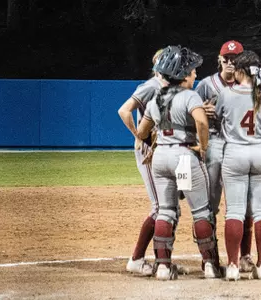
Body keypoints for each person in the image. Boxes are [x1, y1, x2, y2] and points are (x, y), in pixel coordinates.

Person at [137, 45, 222, 280]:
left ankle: (163, 266)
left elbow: (143, 131)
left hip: (162, 158)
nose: (195, 74)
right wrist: (202, 147)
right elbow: (202, 124)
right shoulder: (190, 96)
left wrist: (155, 142)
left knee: (165, 210)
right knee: (201, 211)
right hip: (184, 158)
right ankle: (210, 266)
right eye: (192, 71)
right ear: (182, 74)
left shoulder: (156, 98)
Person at [215, 50, 261, 281]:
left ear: (240, 71)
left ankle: (234, 266)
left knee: (234, 211)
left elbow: (218, 119)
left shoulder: (226, 94)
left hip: (235, 152)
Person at [195, 40, 255, 272]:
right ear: (219, 59)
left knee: (243, 204)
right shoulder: (206, 85)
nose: (230, 63)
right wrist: (202, 112)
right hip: (213, 143)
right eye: (226, 58)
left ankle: (245, 255)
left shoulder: (248, 85)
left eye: (235, 59)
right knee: (209, 204)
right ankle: (209, 258)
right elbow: (192, 113)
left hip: (239, 144)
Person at [118, 49, 166, 276]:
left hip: (164, 150)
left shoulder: (171, 87)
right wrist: (138, 136)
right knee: (159, 207)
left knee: (169, 207)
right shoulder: (151, 86)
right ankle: (136, 259)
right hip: (149, 151)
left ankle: (162, 261)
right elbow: (124, 110)